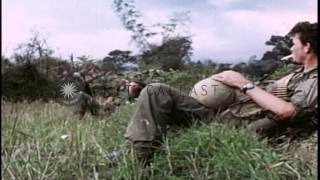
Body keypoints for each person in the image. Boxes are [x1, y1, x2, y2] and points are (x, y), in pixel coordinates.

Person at [123, 21, 318, 164]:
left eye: (294, 43)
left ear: (307, 47)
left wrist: (244, 84)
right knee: (156, 91)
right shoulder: (298, 74)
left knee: (156, 93)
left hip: (236, 127)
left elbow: (288, 111)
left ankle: (140, 162)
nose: (291, 47)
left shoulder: (314, 81)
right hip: (224, 115)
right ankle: (137, 150)